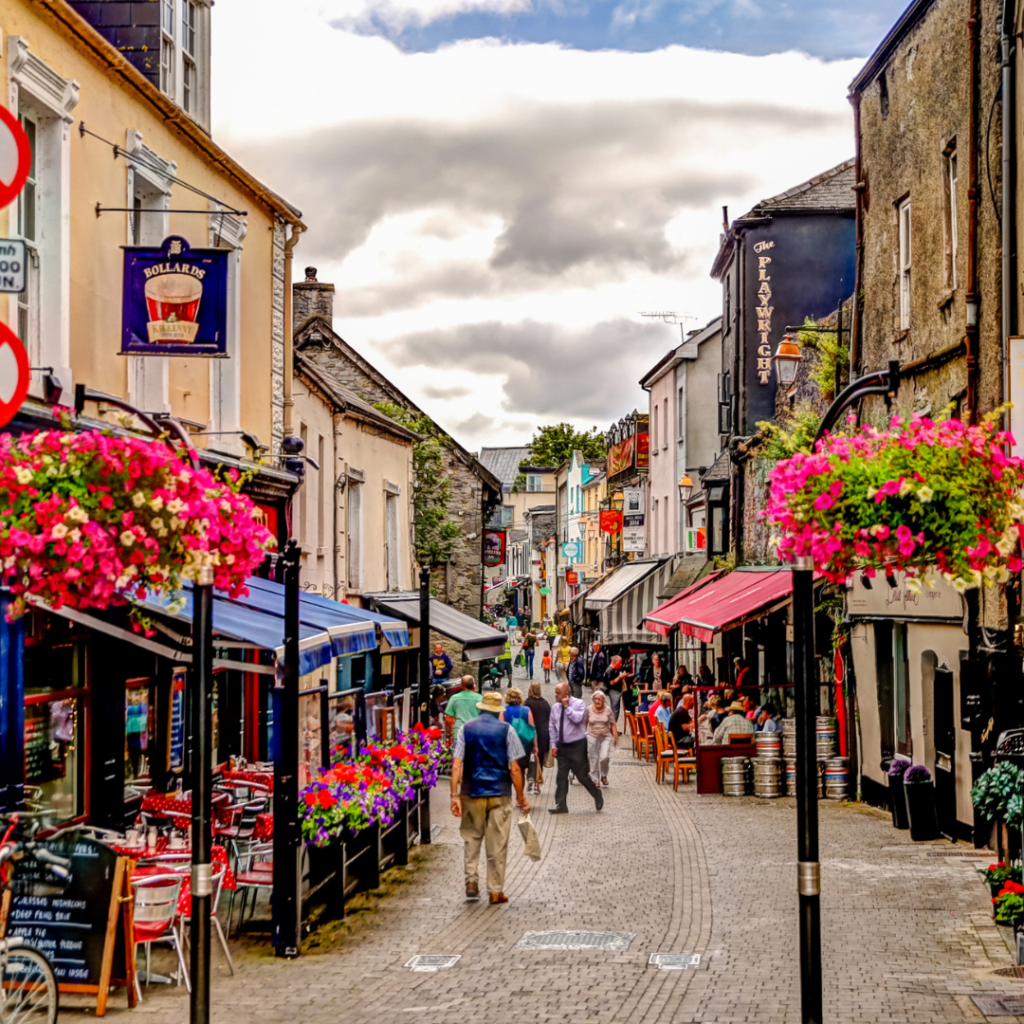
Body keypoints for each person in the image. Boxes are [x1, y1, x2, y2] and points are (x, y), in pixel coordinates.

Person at [450, 690, 530, 904]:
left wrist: (454, 795)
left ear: (481, 708)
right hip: (499, 792)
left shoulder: (466, 729)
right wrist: (521, 797)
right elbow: (514, 768)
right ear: (497, 712)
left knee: (471, 838)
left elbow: (457, 763)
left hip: (471, 791)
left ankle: (471, 881)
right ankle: (495, 891)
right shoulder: (507, 730)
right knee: (498, 843)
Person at [548, 682, 604, 814]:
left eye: (557, 693)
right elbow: (552, 727)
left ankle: (596, 794)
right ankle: (561, 804)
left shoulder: (579, 704)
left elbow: (578, 719)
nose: (555, 695)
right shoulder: (555, 707)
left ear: (566, 694)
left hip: (577, 745)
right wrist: (554, 745)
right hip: (562, 746)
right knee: (561, 776)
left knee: (581, 776)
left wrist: (567, 707)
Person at [501, 687, 536, 784]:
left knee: (508, 770)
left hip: (509, 745)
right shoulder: (526, 710)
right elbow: (533, 729)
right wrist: (535, 746)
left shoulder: (503, 710)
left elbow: (500, 729)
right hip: (524, 745)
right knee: (521, 769)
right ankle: (520, 794)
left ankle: (509, 792)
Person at [585, 690, 618, 788]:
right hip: (592, 735)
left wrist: (615, 737)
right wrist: (583, 734)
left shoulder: (608, 710)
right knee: (593, 758)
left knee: (604, 757)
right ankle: (595, 780)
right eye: (595, 699)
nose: (597, 701)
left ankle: (604, 775)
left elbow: (613, 724)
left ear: (603, 700)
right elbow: (585, 722)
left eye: (599, 699)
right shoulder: (588, 709)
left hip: (605, 736)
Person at [525, 682, 552, 794]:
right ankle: (537, 785)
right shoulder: (545, 703)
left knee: (529, 758)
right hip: (544, 734)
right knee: (539, 759)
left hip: (530, 733)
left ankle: (530, 778)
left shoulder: (527, 703)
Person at [445, 675, 481, 742]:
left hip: (459, 734)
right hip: (475, 735)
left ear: (461, 686)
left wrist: (449, 734)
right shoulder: (480, 698)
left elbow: (448, 720)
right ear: (474, 685)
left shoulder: (454, 698)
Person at [604, 655, 632, 723]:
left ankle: (613, 726)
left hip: (616, 691)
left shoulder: (614, 669)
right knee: (615, 709)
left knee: (616, 708)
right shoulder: (609, 670)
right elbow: (611, 682)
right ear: (615, 662)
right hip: (613, 691)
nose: (620, 665)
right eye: (619, 663)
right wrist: (620, 677)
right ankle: (612, 726)